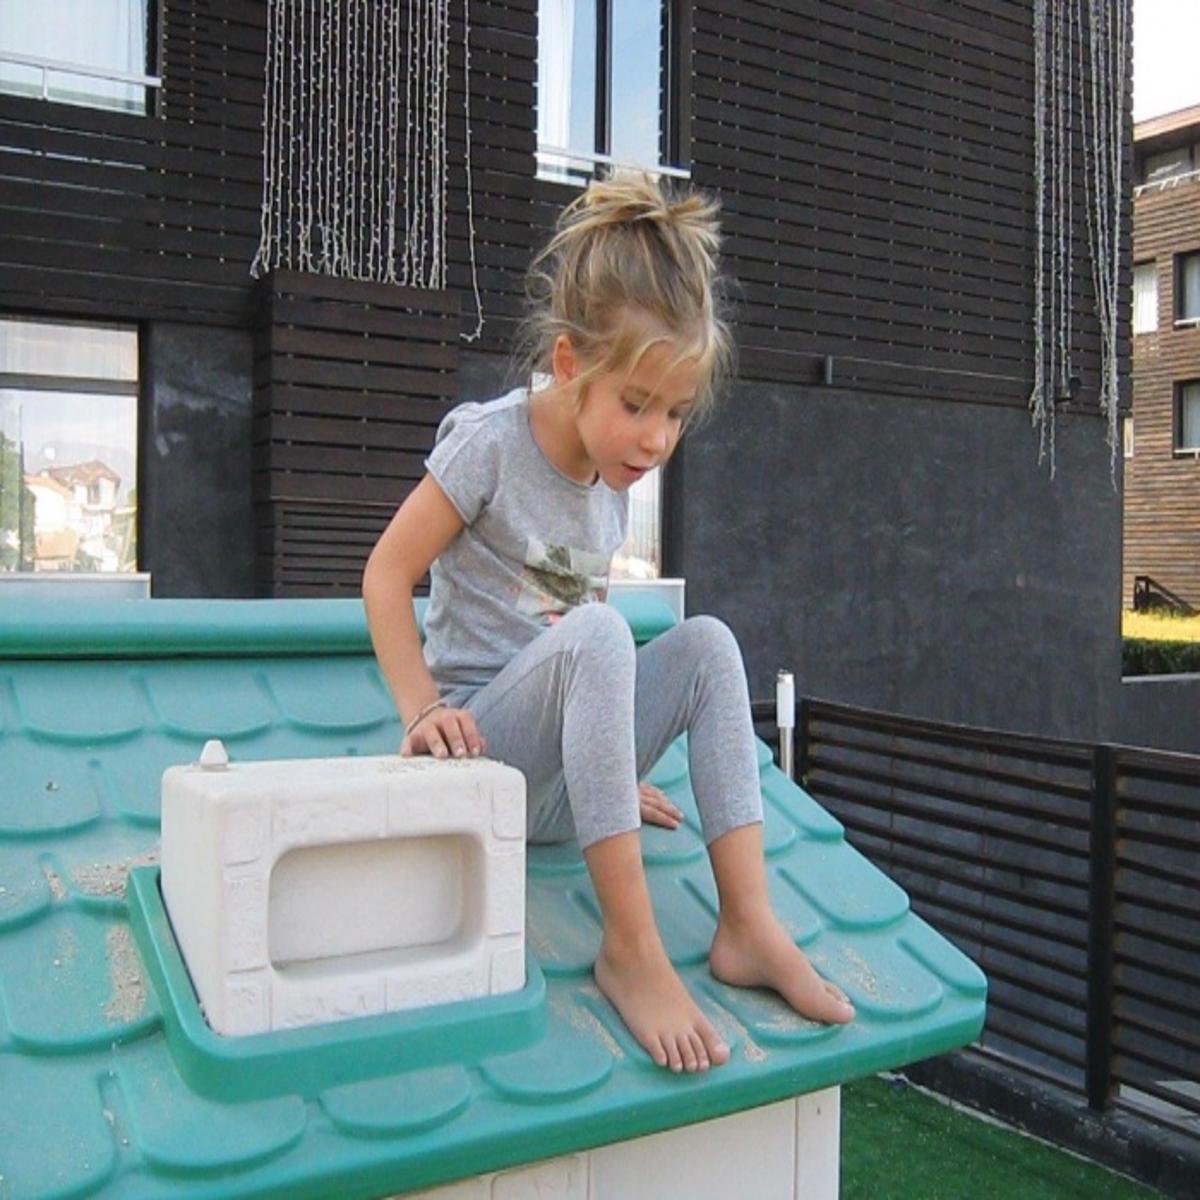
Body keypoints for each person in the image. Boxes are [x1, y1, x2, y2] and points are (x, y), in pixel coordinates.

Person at [362, 172, 854, 1074]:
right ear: (568, 364)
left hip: (553, 785)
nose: (657, 438)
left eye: (675, 413)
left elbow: (557, 618)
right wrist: (421, 708)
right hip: (480, 761)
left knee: (707, 645)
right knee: (602, 634)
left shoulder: (608, 484)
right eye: (637, 404)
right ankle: (630, 949)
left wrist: (608, 776)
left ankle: (747, 924)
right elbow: (387, 575)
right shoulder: (490, 446)